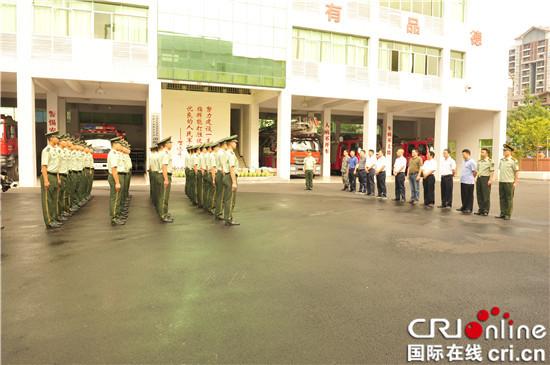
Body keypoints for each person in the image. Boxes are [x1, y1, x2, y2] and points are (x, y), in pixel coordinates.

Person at [40, 131, 62, 228]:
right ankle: (49, 221)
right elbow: (44, 166)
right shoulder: (46, 150)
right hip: (48, 175)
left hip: (54, 176)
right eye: (56, 137)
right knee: (47, 200)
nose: (58, 139)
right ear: (51, 138)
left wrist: (57, 178)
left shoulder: (55, 150)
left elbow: (56, 166)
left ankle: (54, 219)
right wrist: (46, 180)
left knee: (54, 199)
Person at [496, 144, 519, 220]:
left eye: (505, 150)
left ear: (509, 151)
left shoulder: (513, 161)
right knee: (502, 198)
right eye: (503, 150)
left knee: (509, 199)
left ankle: (508, 214)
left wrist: (515, 182)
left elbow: (516, 172)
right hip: (502, 181)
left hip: (509, 182)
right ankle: (502, 213)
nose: (503, 152)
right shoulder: (502, 160)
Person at [223, 135, 240, 226]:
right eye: (234, 142)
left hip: (226, 176)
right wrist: (234, 182)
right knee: (230, 200)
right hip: (230, 177)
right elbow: (232, 168)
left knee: (226, 198)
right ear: (231, 143)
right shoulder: (231, 155)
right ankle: (228, 219)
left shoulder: (225, 153)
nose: (236, 144)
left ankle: (227, 217)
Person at [107, 137, 124, 225]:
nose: (120, 145)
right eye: (119, 144)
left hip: (117, 176)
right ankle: (114, 218)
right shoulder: (113, 154)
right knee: (115, 198)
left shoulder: (115, 153)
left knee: (118, 197)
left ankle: (117, 215)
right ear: (114, 144)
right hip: (115, 177)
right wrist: (117, 182)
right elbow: (114, 169)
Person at [157, 136, 174, 223]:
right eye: (170, 143)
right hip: (164, 175)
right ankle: (163, 215)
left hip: (161, 175)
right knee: (164, 197)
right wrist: (166, 179)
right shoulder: (165, 153)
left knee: (162, 196)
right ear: (166, 144)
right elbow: (164, 166)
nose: (171, 145)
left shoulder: (162, 153)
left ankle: (164, 213)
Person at [475, 148, 495, 216]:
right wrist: (476, 178)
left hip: (486, 178)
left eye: (483, 152)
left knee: (485, 195)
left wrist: (490, 180)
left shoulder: (490, 161)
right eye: (481, 152)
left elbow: (492, 171)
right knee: (479, 195)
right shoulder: (479, 161)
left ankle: (486, 210)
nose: (481, 153)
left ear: (487, 154)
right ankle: (480, 209)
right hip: (479, 178)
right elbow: (478, 171)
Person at [458, 149, 477, 214]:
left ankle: (469, 208)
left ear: (468, 154)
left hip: (469, 181)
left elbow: (475, 171)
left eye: (464, 154)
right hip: (463, 180)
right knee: (463, 195)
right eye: (462, 154)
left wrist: (472, 177)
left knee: (469, 195)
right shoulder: (464, 161)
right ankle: (464, 206)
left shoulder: (472, 162)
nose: (463, 155)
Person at [214, 139, 228, 220]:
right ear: (224, 145)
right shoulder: (222, 153)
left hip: (218, 174)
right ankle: (219, 213)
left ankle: (217, 212)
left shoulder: (218, 152)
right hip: (221, 174)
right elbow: (223, 165)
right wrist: (225, 176)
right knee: (221, 195)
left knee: (219, 194)